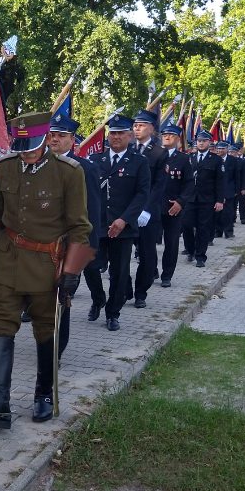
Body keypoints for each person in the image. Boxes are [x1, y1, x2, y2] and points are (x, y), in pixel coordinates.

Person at [0, 111, 93, 429]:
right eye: (21, 146)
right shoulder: (5, 167)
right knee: (2, 325)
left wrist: (72, 272)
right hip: (7, 260)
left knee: (46, 330)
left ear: (46, 139)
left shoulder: (68, 172)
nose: (27, 153)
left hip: (48, 264)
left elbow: (80, 227)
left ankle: (43, 395)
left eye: (31, 146)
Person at [85, 115, 150, 330]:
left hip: (123, 227)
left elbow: (142, 194)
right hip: (97, 225)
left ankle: (113, 312)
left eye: (121, 133)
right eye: (113, 133)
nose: (116, 137)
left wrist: (124, 219)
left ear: (130, 136)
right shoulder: (95, 161)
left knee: (119, 272)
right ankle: (98, 298)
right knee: (90, 266)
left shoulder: (139, 162)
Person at [47, 108, 101, 357]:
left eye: (60, 135)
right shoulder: (39, 164)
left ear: (72, 139)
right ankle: (44, 341)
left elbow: (91, 214)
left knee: (61, 300)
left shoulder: (84, 168)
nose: (54, 139)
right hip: (41, 245)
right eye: (51, 134)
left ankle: (57, 349)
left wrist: (81, 256)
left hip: (68, 246)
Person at [130, 108, 167, 308]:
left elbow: (159, 185)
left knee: (147, 255)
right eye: (135, 125)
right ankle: (124, 288)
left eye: (141, 125)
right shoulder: (128, 149)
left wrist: (146, 210)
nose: (137, 129)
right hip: (127, 211)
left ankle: (140, 292)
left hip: (147, 213)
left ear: (151, 128)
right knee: (120, 254)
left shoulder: (160, 153)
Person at [182, 130, 225, 267]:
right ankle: (190, 250)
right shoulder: (189, 157)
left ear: (209, 143)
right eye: (199, 141)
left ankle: (200, 256)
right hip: (189, 199)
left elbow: (220, 181)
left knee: (203, 228)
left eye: (204, 141)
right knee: (187, 225)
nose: (201, 143)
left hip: (207, 199)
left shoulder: (216, 160)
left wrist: (219, 200)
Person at [158, 123, 194, 287]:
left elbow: (189, 184)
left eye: (171, 135)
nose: (167, 137)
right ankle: (151, 269)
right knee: (146, 243)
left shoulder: (184, 159)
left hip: (173, 207)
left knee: (171, 243)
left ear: (177, 139)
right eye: (164, 135)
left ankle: (167, 275)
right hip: (153, 207)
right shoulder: (154, 155)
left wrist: (180, 202)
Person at [213, 138, 236, 239]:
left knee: (228, 213)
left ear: (227, 149)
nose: (220, 150)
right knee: (217, 213)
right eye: (218, 148)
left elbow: (237, 177)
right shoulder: (214, 159)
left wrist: (237, 190)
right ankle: (218, 231)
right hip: (216, 191)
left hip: (229, 190)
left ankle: (229, 232)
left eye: (222, 148)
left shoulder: (233, 160)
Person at [230, 142, 245, 225]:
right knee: (232, 204)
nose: (231, 154)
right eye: (230, 152)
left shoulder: (241, 162)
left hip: (240, 186)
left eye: (233, 152)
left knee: (242, 203)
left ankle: (243, 218)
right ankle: (232, 218)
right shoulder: (227, 161)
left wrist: (244, 188)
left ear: (236, 153)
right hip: (232, 187)